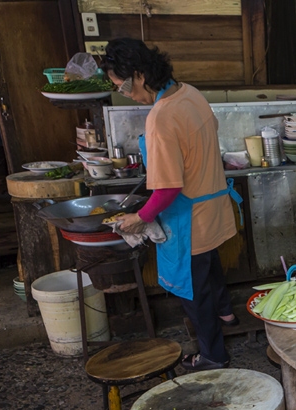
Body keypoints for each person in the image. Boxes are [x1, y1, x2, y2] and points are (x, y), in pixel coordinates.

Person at [101, 38, 241, 371]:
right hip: (214, 207)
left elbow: (167, 189)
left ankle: (213, 356)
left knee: (194, 293)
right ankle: (228, 314)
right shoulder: (189, 93)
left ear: (138, 75)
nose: (127, 94)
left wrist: (139, 218)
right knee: (211, 268)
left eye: (122, 87)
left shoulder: (162, 117)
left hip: (188, 219)